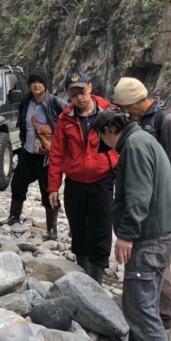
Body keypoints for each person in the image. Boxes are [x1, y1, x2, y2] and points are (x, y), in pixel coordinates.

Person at [95, 108, 171, 341]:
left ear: (109, 131)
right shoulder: (144, 139)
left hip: (148, 240)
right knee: (148, 303)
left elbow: (138, 194)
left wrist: (127, 235)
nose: (104, 144)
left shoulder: (133, 146)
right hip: (161, 235)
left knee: (139, 308)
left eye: (101, 138)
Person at [113, 76, 171, 336]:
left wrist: (167, 205)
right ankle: (143, 310)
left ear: (138, 101)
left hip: (158, 206)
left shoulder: (168, 124)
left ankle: (162, 319)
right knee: (143, 258)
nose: (125, 113)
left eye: (126, 107)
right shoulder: (142, 121)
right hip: (144, 203)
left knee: (158, 261)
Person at [47, 72, 118, 283]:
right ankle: (82, 269)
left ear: (90, 88)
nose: (79, 98)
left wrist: (114, 167)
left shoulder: (109, 113)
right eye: (73, 94)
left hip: (102, 181)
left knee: (101, 226)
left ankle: (96, 276)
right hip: (75, 182)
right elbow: (57, 153)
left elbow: (121, 146)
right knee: (77, 227)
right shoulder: (65, 119)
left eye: (82, 91)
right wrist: (53, 187)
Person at [0, 67, 68, 238]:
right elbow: (23, 125)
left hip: (47, 156)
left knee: (49, 189)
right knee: (17, 184)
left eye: (39, 82)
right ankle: (14, 217)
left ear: (45, 84)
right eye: (33, 82)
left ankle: (52, 228)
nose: (36, 85)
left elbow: (70, 116)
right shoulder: (26, 102)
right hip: (28, 151)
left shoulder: (54, 102)